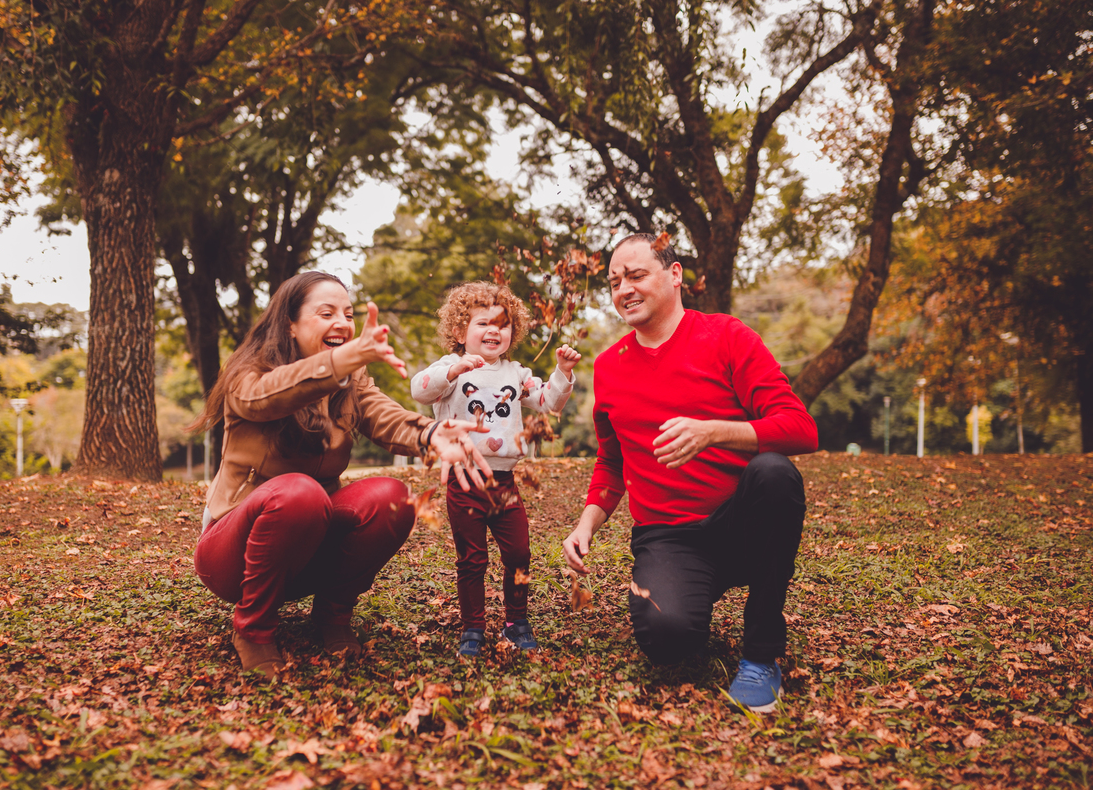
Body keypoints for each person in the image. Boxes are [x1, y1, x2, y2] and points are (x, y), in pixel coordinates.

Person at [191, 271, 491, 680]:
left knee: (392, 496)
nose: (343, 323)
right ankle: (254, 629)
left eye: (348, 313)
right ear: (290, 325)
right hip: (234, 557)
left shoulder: (351, 379)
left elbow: (383, 415)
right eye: (326, 312)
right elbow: (271, 395)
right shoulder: (248, 374)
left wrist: (432, 432)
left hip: (308, 543)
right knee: (300, 492)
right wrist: (343, 359)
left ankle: (332, 615)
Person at [561, 234, 818, 713]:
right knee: (667, 641)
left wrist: (716, 432)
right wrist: (586, 524)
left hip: (740, 524)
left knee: (774, 473)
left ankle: (761, 655)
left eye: (636, 275)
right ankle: (687, 599)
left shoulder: (727, 336)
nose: (624, 290)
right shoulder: (610, 367)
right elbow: (612, 463)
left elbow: (801, 428)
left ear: (674, 275)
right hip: (668, 538)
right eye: (615, 282)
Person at [410, 282, 581, 657]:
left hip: (504, 484)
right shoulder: (447, 369)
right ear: (459, 331)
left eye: (502, 325)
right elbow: (418, 390)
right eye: (483, 323)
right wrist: (453, 370)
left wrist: (562, 371)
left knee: (519, 553)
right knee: (472, 559)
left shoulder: (517, 373)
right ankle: (473, 625)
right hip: (463, 481)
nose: (493, 330)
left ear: (512, 332)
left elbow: (548, 401)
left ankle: (516, 620)